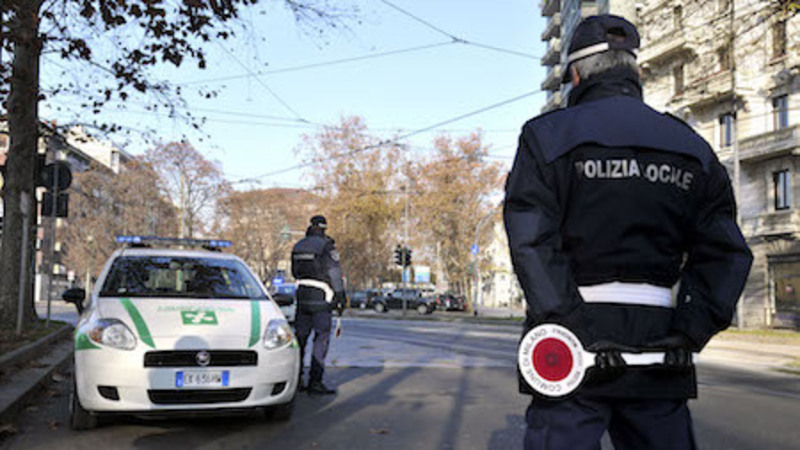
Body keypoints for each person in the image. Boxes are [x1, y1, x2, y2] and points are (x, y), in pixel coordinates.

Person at [504, 15, 752, 450]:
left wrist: (569, 323)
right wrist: (691, 329)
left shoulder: (546, 137)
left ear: (575, 75)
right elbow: (726, 253)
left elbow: (532, 242)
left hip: (571, 353)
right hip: (661, 348)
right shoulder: (692, 147)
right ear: (635, 72)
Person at [291, 215, 346, 395]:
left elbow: (294, 272)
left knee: (300, 339)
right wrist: (340, 296)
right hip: (322, 298)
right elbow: (334, 272)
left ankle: (296, 380)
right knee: (321, 339)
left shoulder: (298, 245)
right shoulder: (326, 246)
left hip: (302, 297)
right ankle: (315, 381)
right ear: (324, 228)